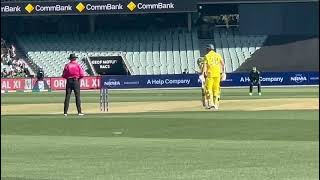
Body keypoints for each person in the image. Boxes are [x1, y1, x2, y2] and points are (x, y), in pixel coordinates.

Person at [202, 44, 225, 110]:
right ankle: (216, 105)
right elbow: (223, 64)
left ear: (208, 49)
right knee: (216, 89)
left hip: (210, 75)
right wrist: (223, 73)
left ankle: (211, 104)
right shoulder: (218, 55)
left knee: (209, 89)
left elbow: (205, 66)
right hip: (217, 74)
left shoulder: (206, 56)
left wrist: (203, 73)